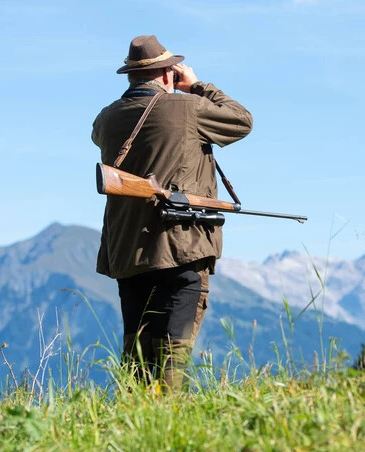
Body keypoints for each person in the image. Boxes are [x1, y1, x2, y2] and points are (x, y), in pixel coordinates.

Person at [92, 35, 253, 391]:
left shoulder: (105, 119)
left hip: (128, 253)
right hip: (181, 248)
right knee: (171, 357)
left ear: (131, 76)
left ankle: (132, 427)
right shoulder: (187, 107)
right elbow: (242, 121)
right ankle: (165, 430)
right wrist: (196, 85)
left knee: (136, 358)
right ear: (167, 73)